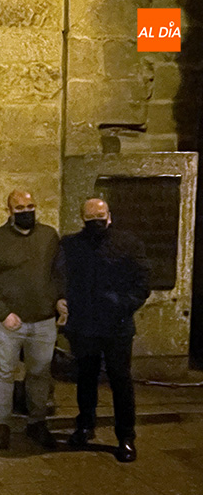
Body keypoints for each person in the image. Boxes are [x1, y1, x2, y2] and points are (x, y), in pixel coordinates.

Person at [55, 198, 150, 462]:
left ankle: (126, 437)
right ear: (83, 218)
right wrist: (62, 299)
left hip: (116, 325)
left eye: (100, 214)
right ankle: (85, 425)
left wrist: (120, 304)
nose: (96, 219)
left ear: (109, 216)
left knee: (120, 381)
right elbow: (61, 276)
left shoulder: (128, 244)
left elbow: (142, 283)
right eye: (91, 215)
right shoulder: (71, 245)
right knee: (85, 378)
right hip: (84, 325)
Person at [0, 190, 59, 450]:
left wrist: (60, 300)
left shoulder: (49, 236)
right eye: (19, 207)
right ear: (9, 211)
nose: (26, 211)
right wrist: (2, 313)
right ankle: (2, 424)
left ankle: (37, 422)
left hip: (43, 320)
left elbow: (59, 271)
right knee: (4, 373)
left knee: (40, 373)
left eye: (30, 205)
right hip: (7, 322)